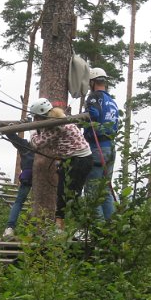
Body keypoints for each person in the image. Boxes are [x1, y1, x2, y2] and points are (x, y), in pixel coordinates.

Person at [28, 98, 93, 232]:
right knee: (63, 194)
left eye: (35, 118)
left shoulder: (56, 125)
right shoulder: (59, 118)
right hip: (73, 159)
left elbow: (37, 144)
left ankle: (81, 229)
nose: (35, 121)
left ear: (41, 116)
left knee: (69, 195)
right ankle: (61, 227)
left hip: (78, 160)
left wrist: (32, 130)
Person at [83, 67, 119, 221]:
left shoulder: (94, 97)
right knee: (105, 191)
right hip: (110, 147)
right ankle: (110, 232)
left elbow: (94, 115)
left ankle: (97, 232)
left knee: (92, 192)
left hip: (97, 147)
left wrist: (79, 121)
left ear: (92, 82)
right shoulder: (112, 101)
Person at [2, 131, 34, 239]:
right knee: (39, 203)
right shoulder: (46, 144)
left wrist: (7, 129)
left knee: (19, 202)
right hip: (43, 176)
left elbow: (12, 136)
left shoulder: (25, 145)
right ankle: (37, 229)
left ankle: (10, 227)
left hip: (28, 175)